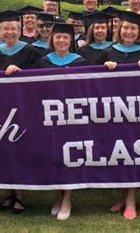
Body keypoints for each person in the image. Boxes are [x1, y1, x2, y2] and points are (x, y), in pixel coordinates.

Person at [99, 11, 140, 220]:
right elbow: (92, 81)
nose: (129, 31)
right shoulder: (108, 52)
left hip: (138, 112)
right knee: (119, 155)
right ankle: (124, 197)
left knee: (134, 153)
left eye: (133, 28)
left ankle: (131, 199)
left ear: (139, 32)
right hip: (113, 112)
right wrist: (104, 69)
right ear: (119, 30)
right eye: (125, 28)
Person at [0, 10, 42, 214]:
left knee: (21, 149)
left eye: (13, 29)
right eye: (6, 29)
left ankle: (21, 193)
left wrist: (22, 72)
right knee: (3, 149)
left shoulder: (32, 52)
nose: (10, 32)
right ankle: (7, 192)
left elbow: (40, 78)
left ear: (20, 31)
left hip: (24, 108)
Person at [34, 23, 89, 221]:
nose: (62, 41)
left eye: (66, 38)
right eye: (58, 37)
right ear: (52, 40)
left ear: (71, 41)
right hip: (49, 116)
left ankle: (67, 199)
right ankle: (58, 196)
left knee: (69, 157)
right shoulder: (43, 61)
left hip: (72, 116)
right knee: (55, 157)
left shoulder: (80, 62)